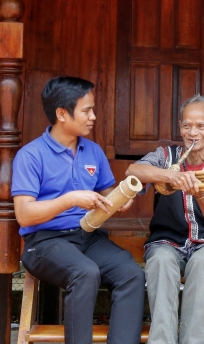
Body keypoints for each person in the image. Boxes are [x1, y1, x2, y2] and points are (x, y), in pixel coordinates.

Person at [12, 76, 145, 344]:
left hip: (88, 236)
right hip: (45, 242)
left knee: (131, 273)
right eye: (86, 110)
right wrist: (70, 199)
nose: (93, 116)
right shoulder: (31, 155)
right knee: (84, 272)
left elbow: (107, 194)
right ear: (62, 113)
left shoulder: (92, 151)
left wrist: (122, 198)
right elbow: (24, 215)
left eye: (92, 109)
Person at [126, 94, 204, 344]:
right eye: (187, 125)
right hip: (168, 241)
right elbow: (133, 170)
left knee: (202, 263)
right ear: (180, 127)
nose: (193, 133)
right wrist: (169, 176)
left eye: (201, 126)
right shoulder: (165, 156)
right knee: (160, 261)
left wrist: (201, 196)